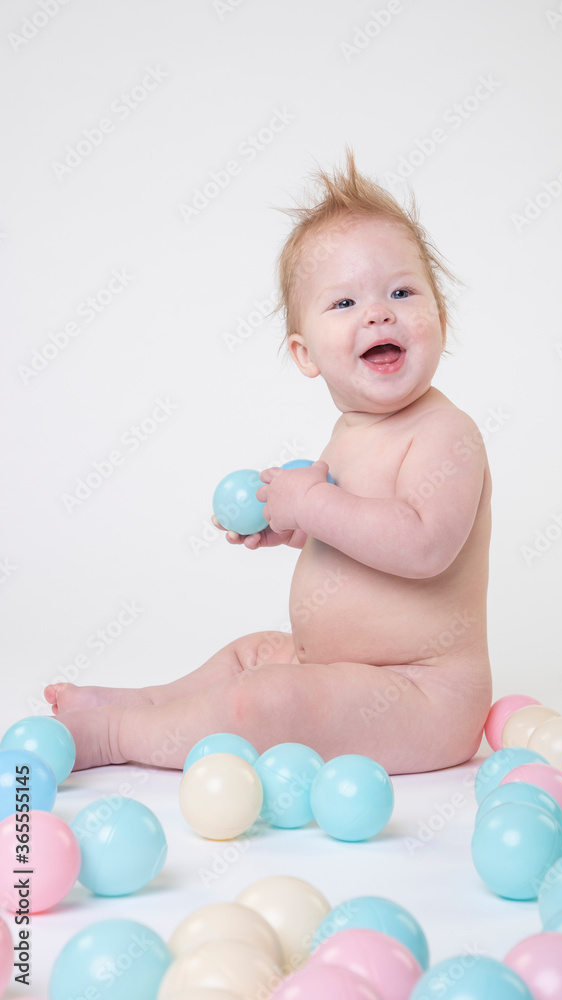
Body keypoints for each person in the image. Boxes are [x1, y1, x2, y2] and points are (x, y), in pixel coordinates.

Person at [45, 147, 493, 775]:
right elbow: (361, 530)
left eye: (401, 291)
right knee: (251, 656)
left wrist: (311, 501)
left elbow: (422, 546)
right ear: (306, 354)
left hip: (422, 696)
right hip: (334, 672)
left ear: (439, 317)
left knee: (272, 699)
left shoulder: (447, 434)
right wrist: (297, 530)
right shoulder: (352, 430)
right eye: (344, 303)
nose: (377, 311)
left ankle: (121, 735)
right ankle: (140, 701)